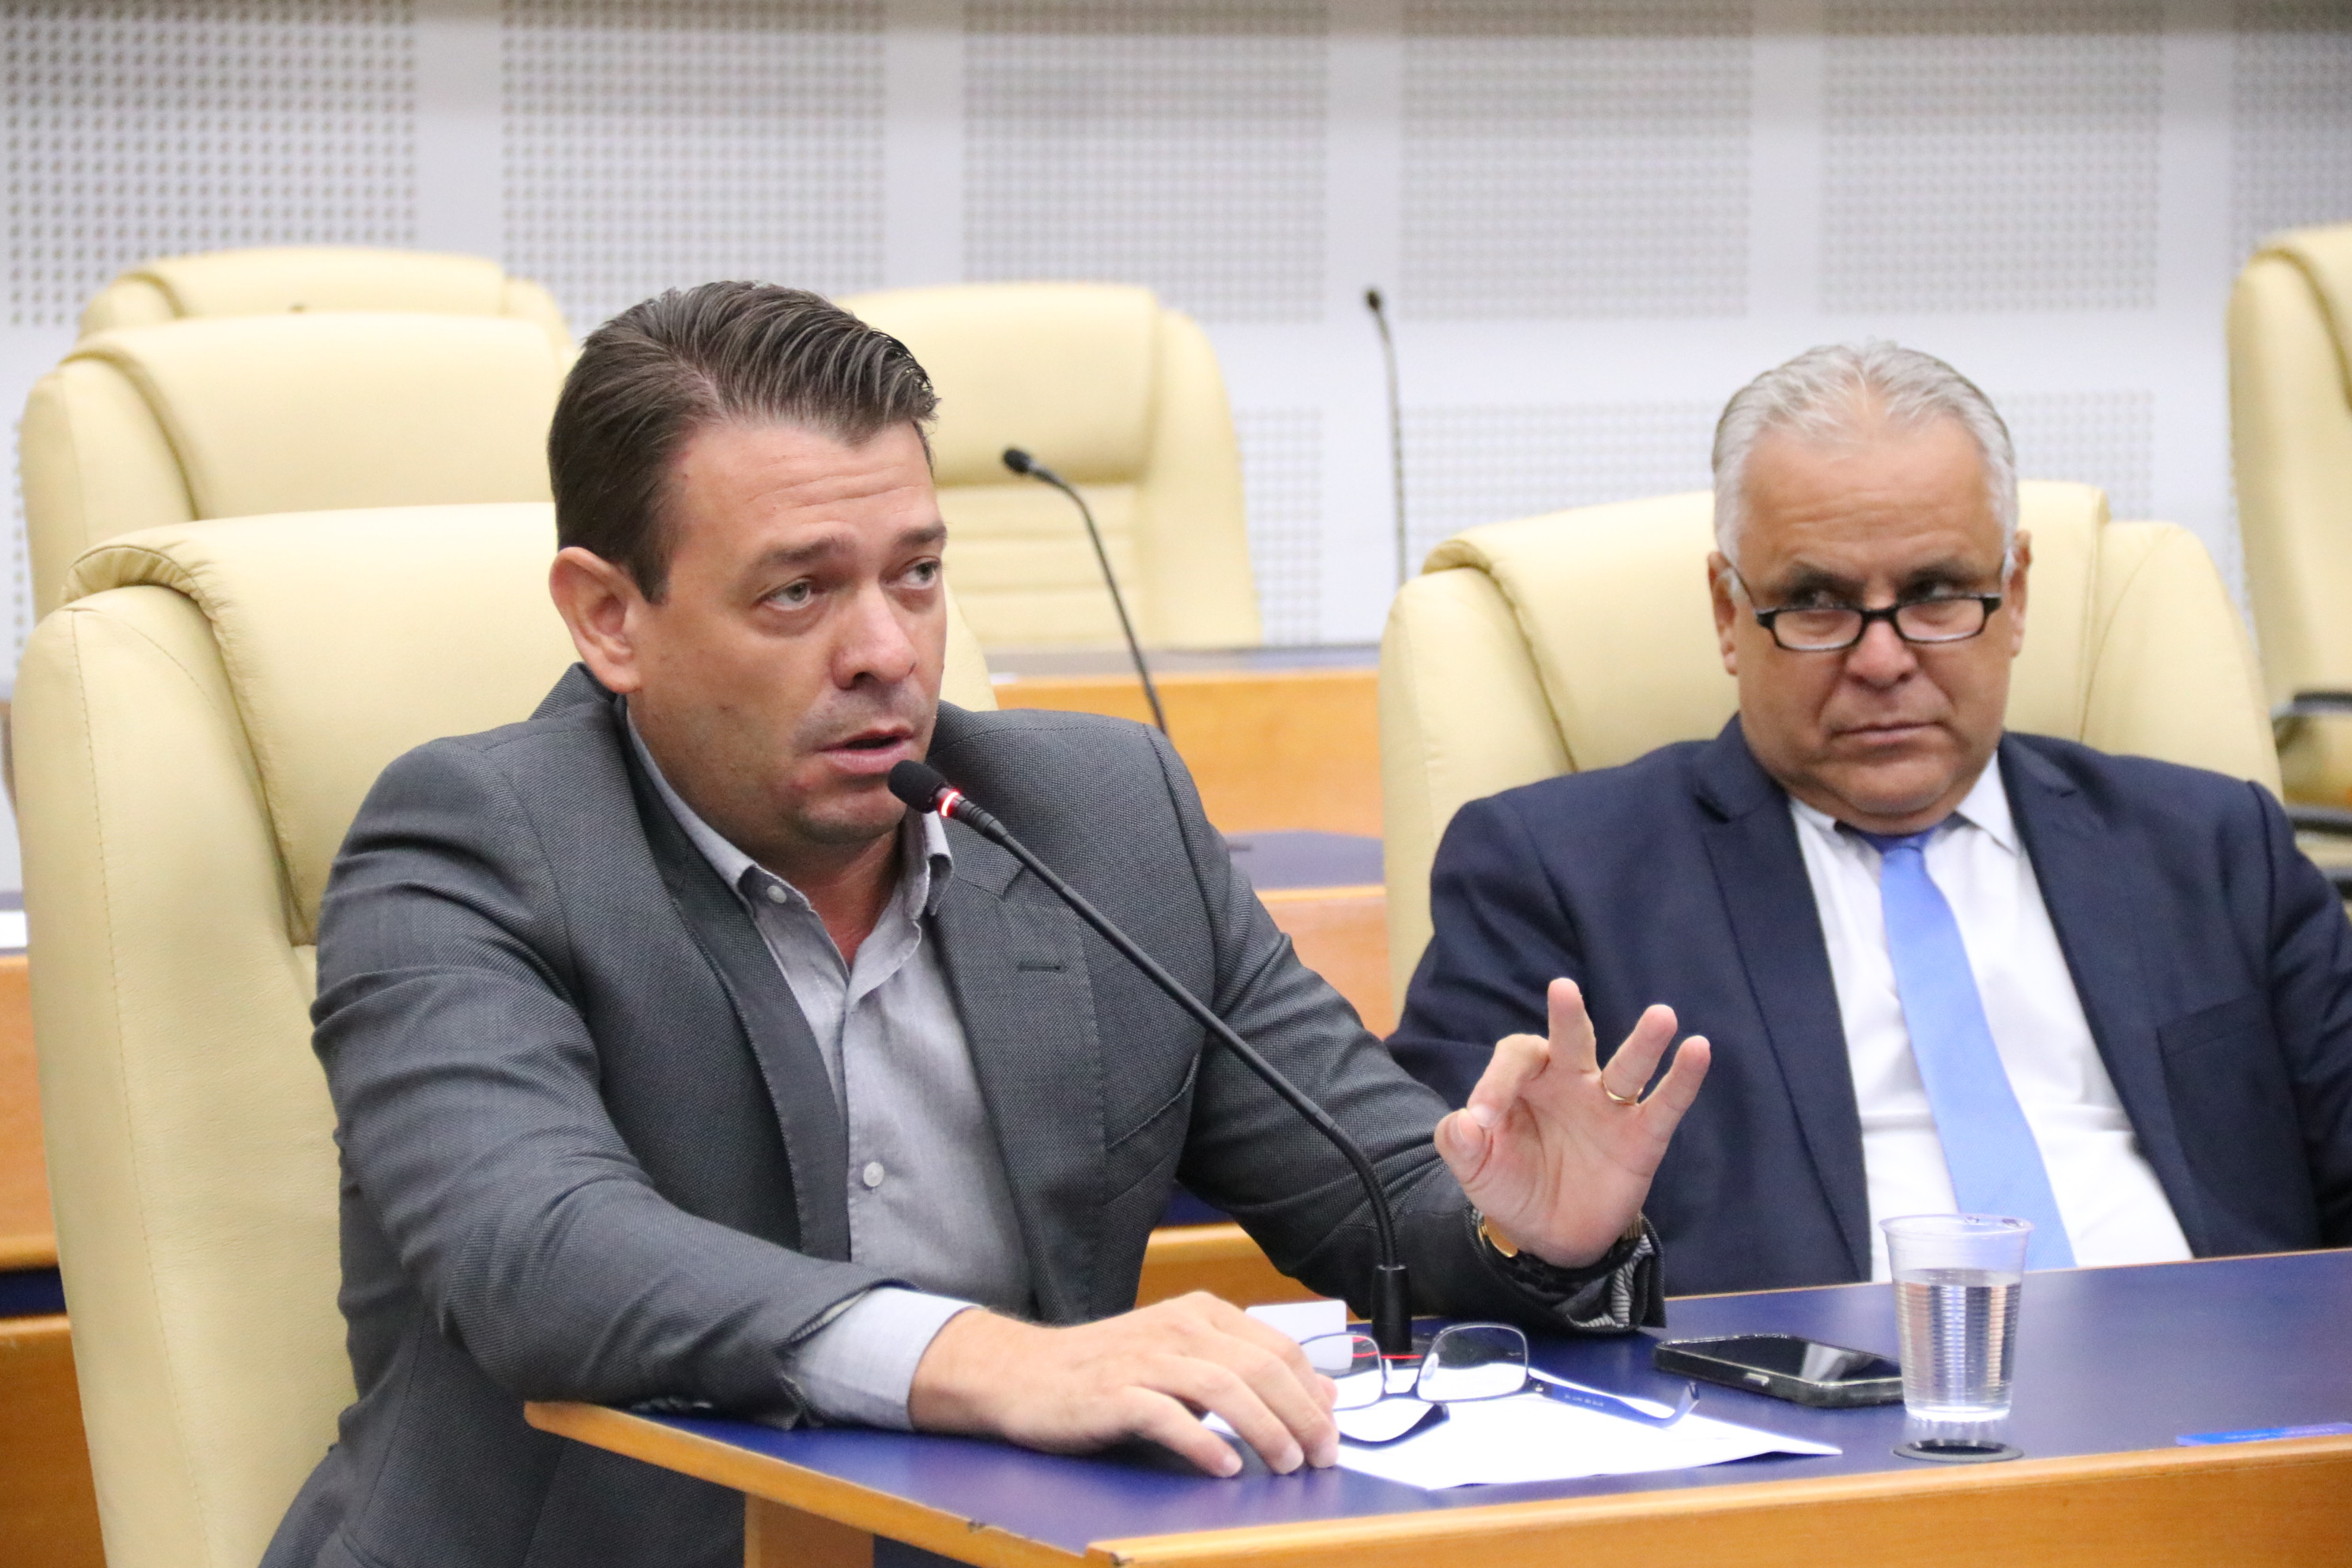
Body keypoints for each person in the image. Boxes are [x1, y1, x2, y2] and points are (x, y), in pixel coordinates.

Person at [262, 282, 1712, 1568]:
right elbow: (541, 1251)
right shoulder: (471, 843)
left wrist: (1527, 1234)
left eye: (917, 572)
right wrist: (986, 1358)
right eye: (798, 591)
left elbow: (1369, 1180)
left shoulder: (1101, 815)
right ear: (608, 618)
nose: (886, 649)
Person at [1390, 341, 2352, 1299]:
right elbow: (1427, 1222)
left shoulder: (2216, 847)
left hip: (2229, 1378)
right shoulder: (1557, 875)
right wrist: (1543, 1249)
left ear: (2015, 593)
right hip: (1807, 1393)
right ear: (1728, 611)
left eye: (1936, 594)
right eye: (1816, 603)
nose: (1884, 660)